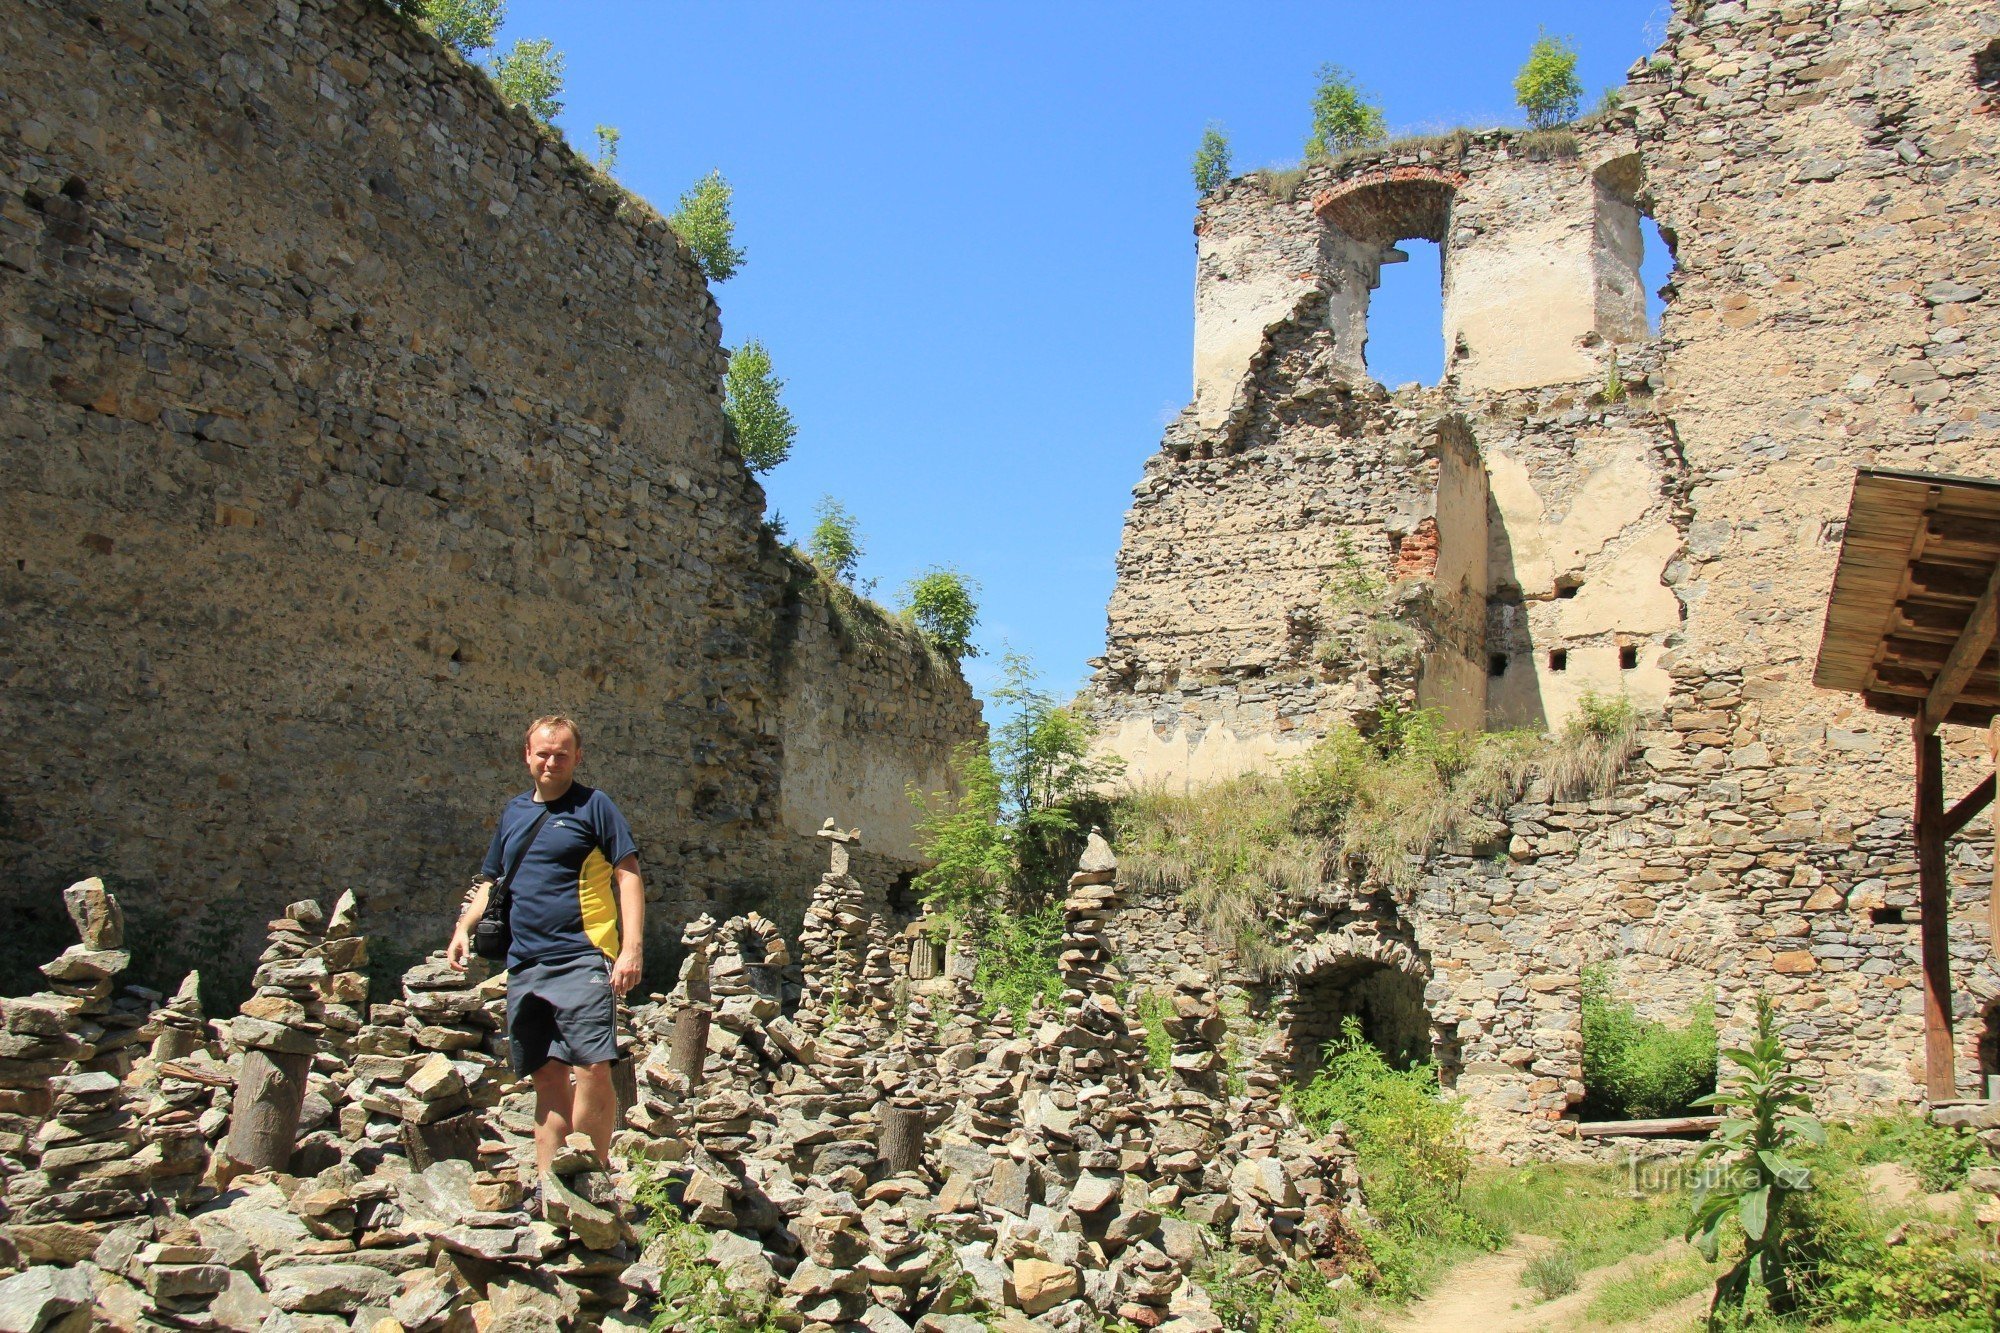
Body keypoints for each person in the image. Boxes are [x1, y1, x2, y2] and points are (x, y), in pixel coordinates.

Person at [447, 715, 644, 1187]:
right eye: (543, 753)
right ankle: (549, 1187)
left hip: (583, 954)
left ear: (577, 757)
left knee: (594, 1065)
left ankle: (592, 1178)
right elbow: (490, 880)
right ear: (527, 756)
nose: (551, 761)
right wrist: (462, 928)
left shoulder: (595, 807)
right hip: (526, 961)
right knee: (546, 1073)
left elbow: (628, 874)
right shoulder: (514, 813)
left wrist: (631, 948)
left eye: (561, 753)